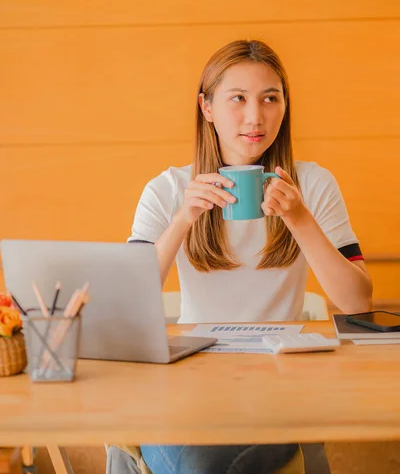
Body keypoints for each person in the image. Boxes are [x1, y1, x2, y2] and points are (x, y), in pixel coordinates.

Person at [107, 40, 372, 474]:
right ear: (206, 107)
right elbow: (125, 304)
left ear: (285, 107)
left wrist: (299, 218)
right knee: (199, 460)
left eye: (271, 98)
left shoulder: (314, 184)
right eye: (238, 99)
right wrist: (182, 221)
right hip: (189, 385)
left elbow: (358, 302)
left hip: (280, 386)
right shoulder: (168, 190)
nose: (256, 117)